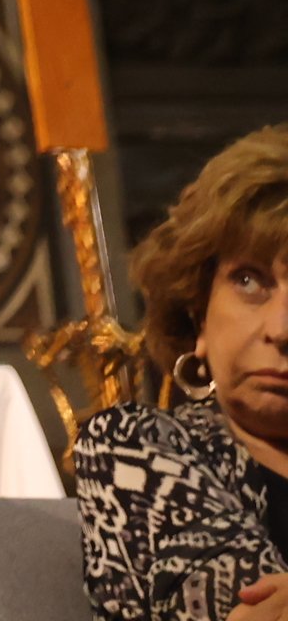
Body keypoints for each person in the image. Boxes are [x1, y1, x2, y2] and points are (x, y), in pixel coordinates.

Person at [76, 122, 288, 621]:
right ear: (199, 314)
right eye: (249, 280)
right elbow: (248, 610)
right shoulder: (133, 447)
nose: (281, 329)